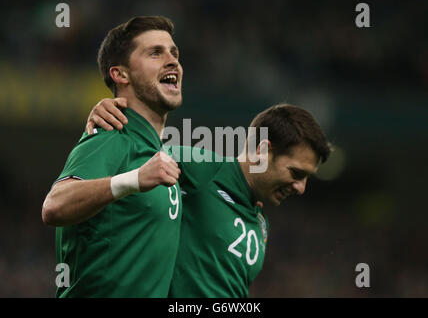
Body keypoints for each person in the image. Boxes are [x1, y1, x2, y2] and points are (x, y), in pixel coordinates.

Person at [87, 100, 331, 297]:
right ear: (263, 152)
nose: (301, 188)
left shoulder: (260, 223)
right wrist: (108, 120)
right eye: (296, 173)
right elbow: (132, 154)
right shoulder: (200, 169)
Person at [42, 16, 184, 297]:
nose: (172, 61)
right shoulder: (111, 134)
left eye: (174, 53)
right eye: (155, 53)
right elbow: (54, 206)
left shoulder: (162, 155)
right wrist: (134, 179)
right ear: (120, 75)